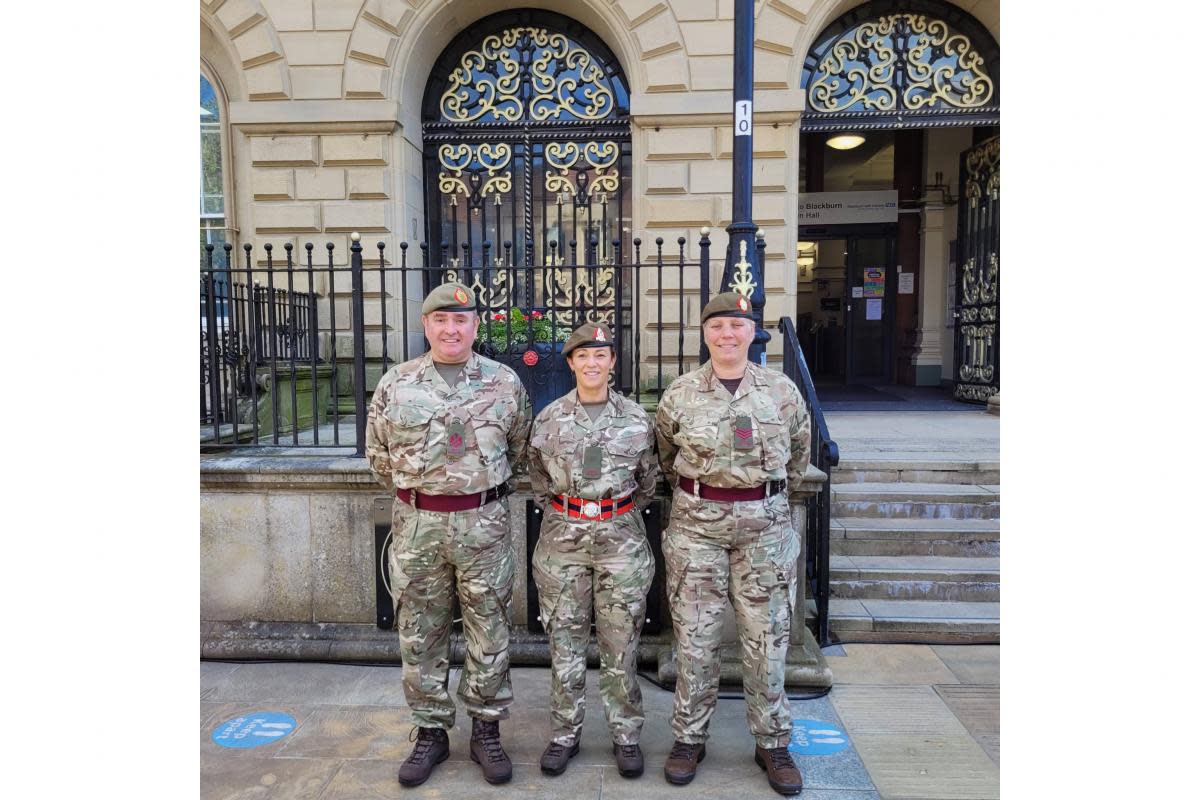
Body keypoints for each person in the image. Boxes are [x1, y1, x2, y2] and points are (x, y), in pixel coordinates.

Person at [365, 281, 532, 787]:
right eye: (441, 320)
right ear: (426, 325)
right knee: (420, 630)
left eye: (461, 321)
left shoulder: (504, 383)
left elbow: (519, 450)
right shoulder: (397, 384)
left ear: (475, 326)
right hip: (418, 525)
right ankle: (430, 731)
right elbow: (378, 455)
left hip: (485, 524)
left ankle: (486, 728)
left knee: (490, 627)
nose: (451, 328)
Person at [654, 291, 811, 796]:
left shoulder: (782, 392)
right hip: (696, 526)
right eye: (718, 326)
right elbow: (663, 456)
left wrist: (761, 495)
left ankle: (773, 742)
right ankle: (688, 738)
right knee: (695, 639)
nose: (727, 334)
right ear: (705, 333)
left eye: (737, 326)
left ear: (753, 332)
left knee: (766, 639)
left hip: (765, 528)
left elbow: (798, 458)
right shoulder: (680, 394)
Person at [527, 322, 659, 779]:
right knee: (564, 642)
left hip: (621, 539)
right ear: (570, 364)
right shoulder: (549, 419)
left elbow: (648, 482)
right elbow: (537, 481)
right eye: (582, 356)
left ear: (612, 362)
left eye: (600, 355)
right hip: (562, 541)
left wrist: (613, 511)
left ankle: (626, 736)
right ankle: (565, 734)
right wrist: (571, 510)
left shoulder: (638, 420)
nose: (592, 363)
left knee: (621, 643)